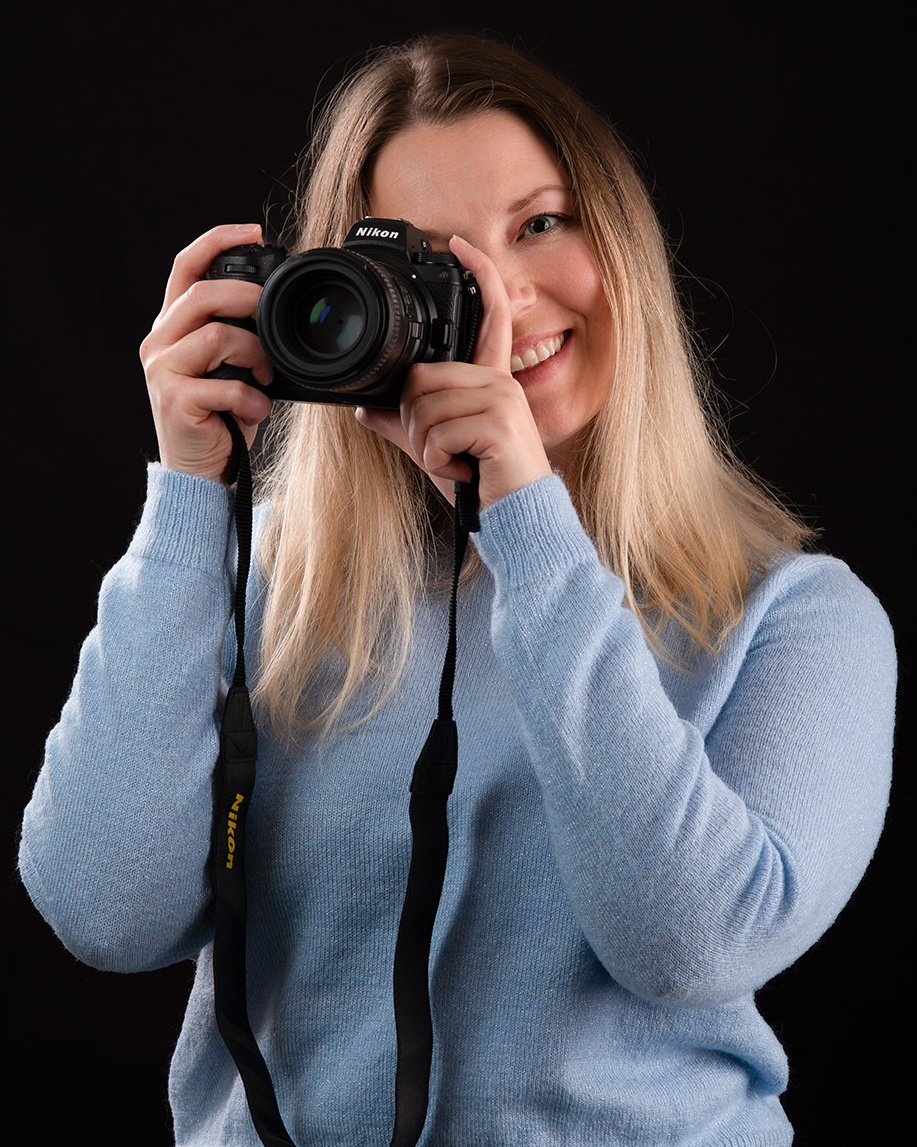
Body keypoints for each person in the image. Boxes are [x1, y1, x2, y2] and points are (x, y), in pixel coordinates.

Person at [17, 29, 896, 1147]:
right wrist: (195, 499)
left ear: (618, 242)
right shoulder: (259, 571)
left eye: (539, 224)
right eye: (432, 264)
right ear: (336, 298)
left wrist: (525, 518)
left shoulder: (792, 617)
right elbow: (103, 908)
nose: (499, 304)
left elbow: (690, 943)